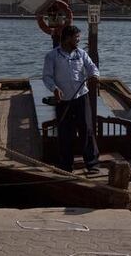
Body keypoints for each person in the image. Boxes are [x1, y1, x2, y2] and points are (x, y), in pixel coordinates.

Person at [42, 24, 100, 174]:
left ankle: (92, 164)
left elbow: (92, 67)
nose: (79, 40)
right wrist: (54, 89)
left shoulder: (81, 53)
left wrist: (94, 76)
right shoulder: (52, 56)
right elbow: (47, 77)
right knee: (65, 132)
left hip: (81, 97)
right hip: (63, 100)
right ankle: (66, 165)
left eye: (79, 37)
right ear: (67, 38)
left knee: (87, 129)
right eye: (76, 38)